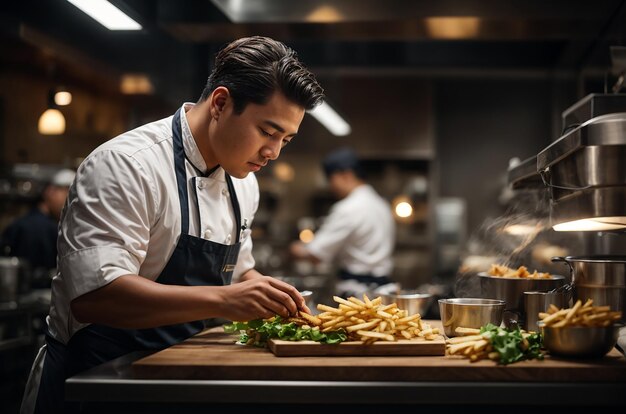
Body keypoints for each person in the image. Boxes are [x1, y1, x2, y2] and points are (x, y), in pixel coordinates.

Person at [20, 36, 324, 414]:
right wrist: (225, 300)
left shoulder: (244, 183)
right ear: (221, 103)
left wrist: (275, 297)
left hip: (179, 375)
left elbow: (240, 273)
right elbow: (95, 297)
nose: (274, 152)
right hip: (96, 382)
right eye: (267, 132)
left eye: (286, 140)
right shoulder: (126, 165)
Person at [289, 147, 396, 298]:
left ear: (346, 175)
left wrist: (296, 249)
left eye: (331, 180)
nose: (331, 187)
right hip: (384, 289)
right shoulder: (381, 204)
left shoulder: (348, 208)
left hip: (357, 292)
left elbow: (316, 254)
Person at [1, 168, 75, 285]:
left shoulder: (22, 222)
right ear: (50, 191)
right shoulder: (41, 228)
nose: (71, 201)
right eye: (68, 192)